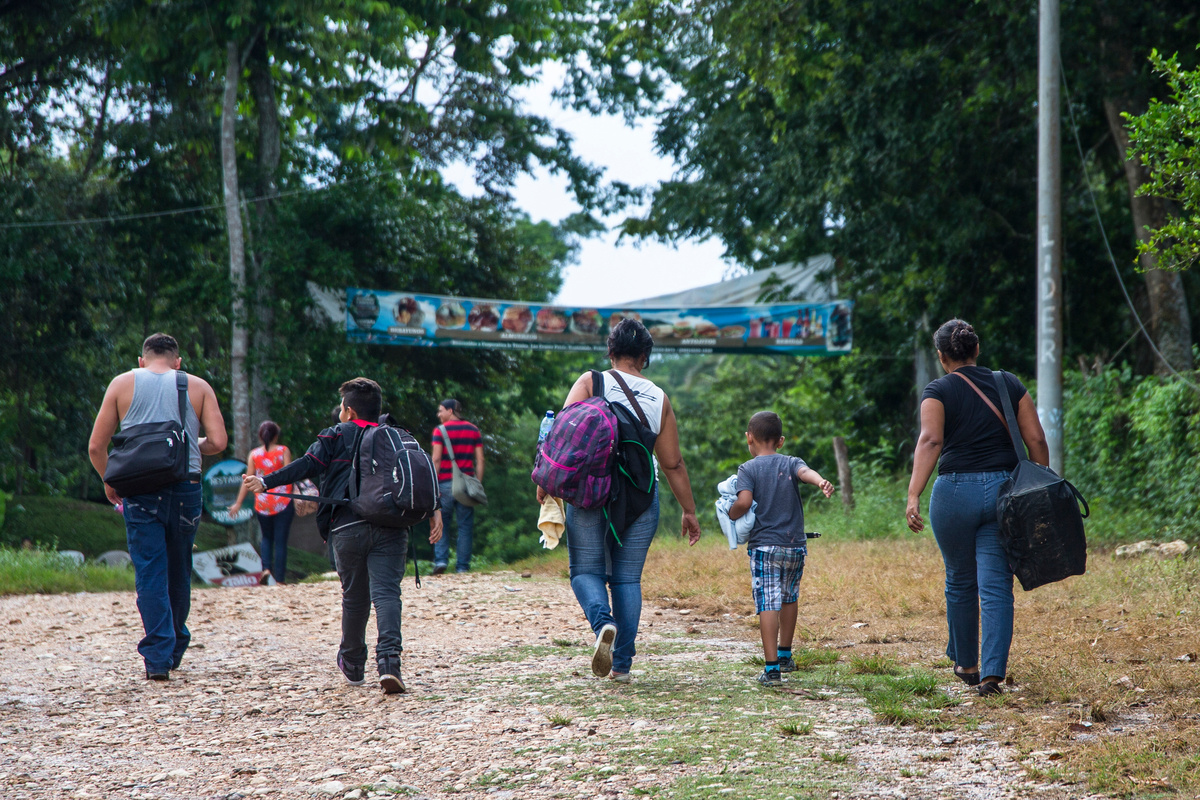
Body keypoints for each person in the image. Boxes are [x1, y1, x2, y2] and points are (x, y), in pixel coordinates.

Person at [241, 378, 442, 694]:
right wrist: (434, 511)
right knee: (387, 594)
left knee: (355, 596)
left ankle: (352, 663)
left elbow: (306, 465)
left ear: (347, 411)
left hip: (346, 526)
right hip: (391, 526)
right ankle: (389, 664)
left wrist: (266, 482)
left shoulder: (336, 434)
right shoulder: (393, 436)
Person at [536, 318, 702, 684]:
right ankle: (623, 666)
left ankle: (603, 623)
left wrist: (546, 481)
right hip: (641, 496)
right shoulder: (660, 397)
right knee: (626, 580)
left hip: (592, 492)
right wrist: (689, 510)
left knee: (585, 571)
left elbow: (561, 437)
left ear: (610, 351)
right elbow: (673, 463)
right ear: (645, 356)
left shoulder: (592, 381)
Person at [906, 319, 1049, 697]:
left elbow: (931, 440)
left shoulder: (937, 390)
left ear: (941, 356)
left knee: (959, 578)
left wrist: (913, 494)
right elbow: (1035, 438)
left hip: (954, 494)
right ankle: (991, 675)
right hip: (1004, 492)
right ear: (977, 349)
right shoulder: (1008, 383)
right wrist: (1039, 485)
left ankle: (966, 662)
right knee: (997, 585)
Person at [87, 333, 228, 680]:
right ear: (178, 362)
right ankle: (175, 647)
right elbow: (219, 442)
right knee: (179, 568)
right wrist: (188, 444)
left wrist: (111, 480)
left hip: (139, 491)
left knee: (149, 572)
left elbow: (95, 447)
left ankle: (158, 658)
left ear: (142, 360)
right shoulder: (197, 386)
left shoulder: (122, 384)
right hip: (185, 489)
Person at [727, 411, 834, 687]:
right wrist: (821, 481)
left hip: (765, 548)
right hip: (795, 546)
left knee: (767, 603)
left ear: (749, 438)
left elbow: (744, 501)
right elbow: (805, 473)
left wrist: (731, 512)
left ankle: (772, 668)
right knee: (789, 597)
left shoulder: (747, 469)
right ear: (781, 441)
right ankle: (786, 655)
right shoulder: (791, 462)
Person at [228, 420, 294, 584]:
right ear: (276, 436)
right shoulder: (283, 451)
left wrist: (238, 503)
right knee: (280, 541)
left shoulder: (254, 455)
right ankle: (279, 579)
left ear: (260, 436)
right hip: (282, 502)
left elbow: (248, 481)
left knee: (266, 538)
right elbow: (290, 474)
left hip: (263, 504)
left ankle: (266, 569)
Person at [429, 398, 484, 574]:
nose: (439, 414)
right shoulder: (473, 430)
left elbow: (436, 459)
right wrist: (477, 483)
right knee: (465, 526)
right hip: (466, 486)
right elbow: (480, 460)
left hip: (444, 483)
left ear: (450, 411)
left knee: (440, 523)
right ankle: (462, 567)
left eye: (441, 410)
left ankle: (441, 561)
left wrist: (432, 483)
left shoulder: (440, 431)